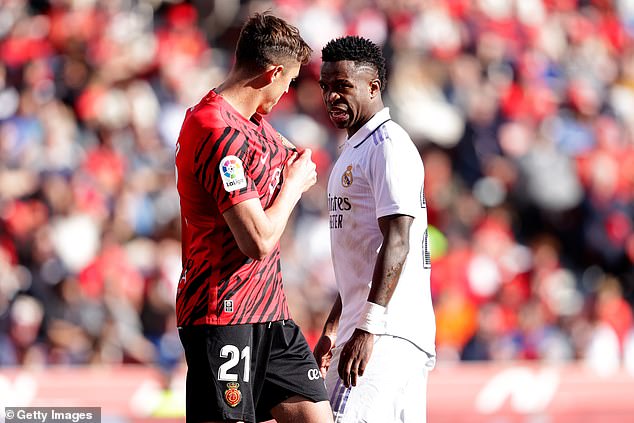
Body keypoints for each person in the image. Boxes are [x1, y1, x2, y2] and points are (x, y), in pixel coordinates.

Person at [174, 12, 333, 423]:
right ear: (272, 72)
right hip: (222, 311)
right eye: (289, 81)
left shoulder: (254, 125)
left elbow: (290, 157)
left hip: (269, 312)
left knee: (317, 416)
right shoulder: (214, 129)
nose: (286, 92)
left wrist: (294, 165)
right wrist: (293, 186)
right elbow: (257, 241)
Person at [313, 36, 437, 422]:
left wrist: (368, 330)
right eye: (326, 87)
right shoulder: (355, 148)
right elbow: (364, 255)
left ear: (372, 87)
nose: (332, 96)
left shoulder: (388, 145)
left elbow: (398, 240)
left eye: (343, 87)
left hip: (385, 336)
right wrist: (334, 327)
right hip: (369, 329)